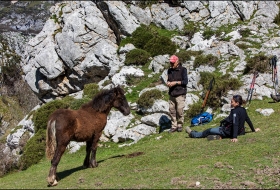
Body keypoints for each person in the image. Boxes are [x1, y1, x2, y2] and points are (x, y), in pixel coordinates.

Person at [185, 95, 260, 142]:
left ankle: (193, 134)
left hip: (228, 131)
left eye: (232, 102)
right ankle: (219, 137)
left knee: (208, 131)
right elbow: (248, 120)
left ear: (237, 103)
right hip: (240, 132)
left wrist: (234, 137)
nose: (231, 103)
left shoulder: (234, 112)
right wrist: (253, 130)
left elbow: (235, 123)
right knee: (215, 131)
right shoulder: (243, 110)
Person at [167, 55, 188, 133]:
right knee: (171, 110)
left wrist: (175, 83)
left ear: (177, 62)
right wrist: (168, 83)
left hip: (180, 93)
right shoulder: (169, 70)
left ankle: (180, 125)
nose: (171, 64)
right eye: (170, 63)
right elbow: (169, 80)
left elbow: (185, 82)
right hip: (172, 93)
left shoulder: (183, 70)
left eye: (173, 63)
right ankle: (174, 126)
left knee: (179, 110)